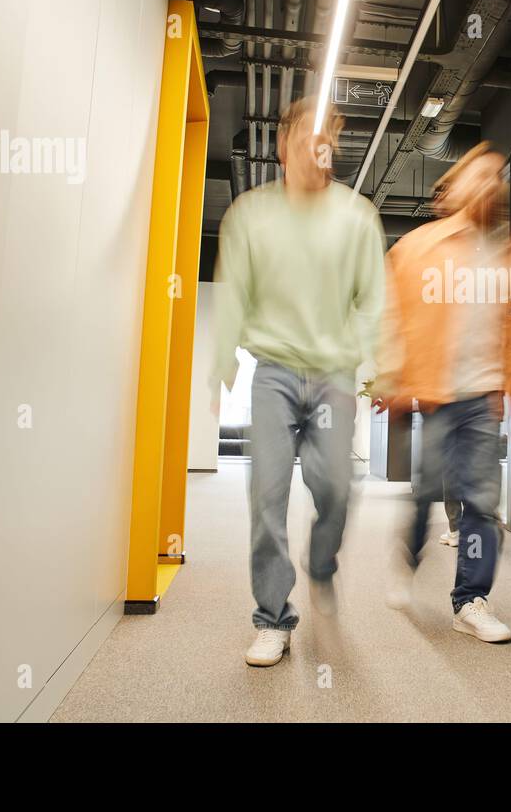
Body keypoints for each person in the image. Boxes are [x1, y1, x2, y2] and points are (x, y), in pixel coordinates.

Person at [213, 96, 385, 667]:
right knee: (266, 494)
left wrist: (365, 363)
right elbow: (233, 291)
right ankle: (272, 618)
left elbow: (371, 301)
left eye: (330, 135)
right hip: (275, 375)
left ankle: (321, 568)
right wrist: (222, 359)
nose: (321, 145)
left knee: (337, 486)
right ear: (283, 145)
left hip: (334, 376)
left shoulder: (358, 215)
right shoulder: (249, 215)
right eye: (310, 134)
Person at [375, 142, 511, 643]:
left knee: (482, 504)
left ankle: (471, 601)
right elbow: (392, 316)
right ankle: (407, 561)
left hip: (482, 396)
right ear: (457, 186)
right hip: (438, 393)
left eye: (497, 176)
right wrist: (392, 377)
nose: (490, 184)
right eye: (479, 176)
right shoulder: (421, 246)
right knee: (425, 493)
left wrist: (507, 383)